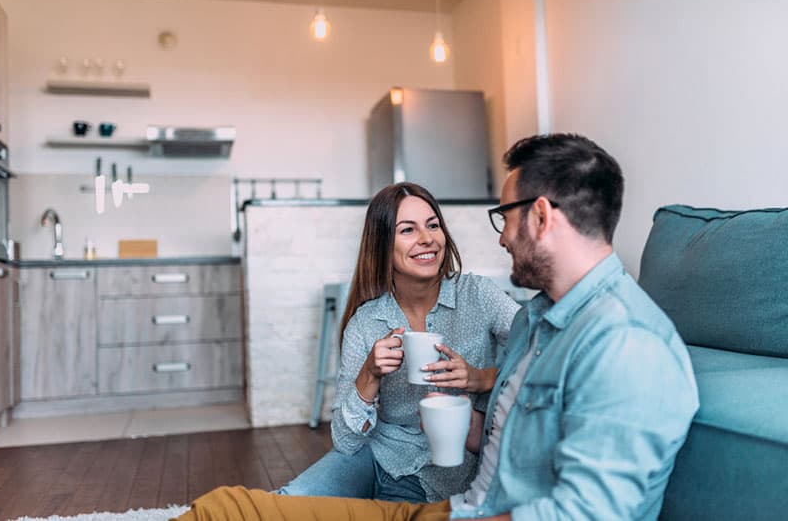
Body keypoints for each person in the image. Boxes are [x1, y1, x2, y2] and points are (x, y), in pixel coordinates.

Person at [174, 133, 699, 521]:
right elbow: (508, 441)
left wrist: (474, 382)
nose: (500, 238)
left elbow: (590, 512)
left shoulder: (625, 344)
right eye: (408, 230)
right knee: (225, 509)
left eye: (505, 218)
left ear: (540, 217)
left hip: (464, 511)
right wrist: (451, 418)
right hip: (451, 501)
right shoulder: (539, 320)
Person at [277, 182, 521, 502]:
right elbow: (345, 442)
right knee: (290, 500)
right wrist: (369, 375)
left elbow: (542, 350)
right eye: (408, 230)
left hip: (444, 472)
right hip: (377, 455)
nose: (427, 238)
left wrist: (483, 378)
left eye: (433, 225)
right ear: (382, 246)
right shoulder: (366, 322)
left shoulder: (478, 295)